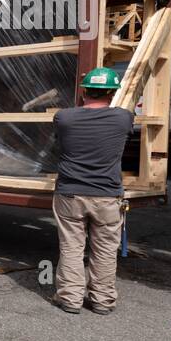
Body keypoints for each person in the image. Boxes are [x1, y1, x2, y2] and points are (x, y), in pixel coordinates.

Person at [51, 66, 133, 315]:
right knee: (106, 250)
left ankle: (71, 299)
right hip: (107, 196)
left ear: (84, 91)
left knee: (71, 247)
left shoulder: (63, 117)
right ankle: (102, 301)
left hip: (70, 193)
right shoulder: (124, 118)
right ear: (112, 93)